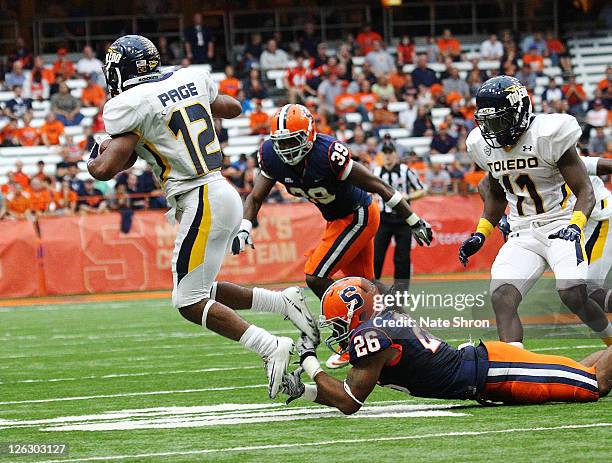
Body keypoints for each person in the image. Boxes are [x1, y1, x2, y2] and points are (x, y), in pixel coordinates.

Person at [87, 35, 319, 400]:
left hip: (200, 195)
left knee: (187, 300)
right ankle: (282, 302)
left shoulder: (130, 104)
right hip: (220, 189)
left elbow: (105, 169)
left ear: (123, 70)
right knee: (198, 288)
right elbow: (233, 107)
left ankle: (269, 345)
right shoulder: (187, 77)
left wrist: (93, 153)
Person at [236, 103, 434, 368]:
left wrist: (413, 219)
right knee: (367, 285)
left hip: (358, 215)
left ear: (308, 135)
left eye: (292, 141)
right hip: (336, 220)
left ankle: (349, 341)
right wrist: (245, 226)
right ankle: (410, 331)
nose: (286, 150)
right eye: (280, 143)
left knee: (316, 276)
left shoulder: (328, 153)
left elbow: (379, 185)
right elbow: (255, 197)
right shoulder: (271, 156)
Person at [279, 278, 612, 411]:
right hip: (488, 373)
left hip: (494, 371)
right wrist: (305, 391)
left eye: (338, 322)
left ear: (357, 312)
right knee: (584, 373)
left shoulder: (373, 334)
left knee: (595, 383)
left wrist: (309, 357)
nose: (337, 330)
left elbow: (351, 400)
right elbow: (346, 390)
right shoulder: (379, 326)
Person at [459, 75, 612, 348]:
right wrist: (481, 233)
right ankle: (515, 368)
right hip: (522, 230)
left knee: (574, 294)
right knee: (502, 297)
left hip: (560, 223)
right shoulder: (483, 145)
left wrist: (575, 226)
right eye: (487, 121)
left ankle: (610, 341)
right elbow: (495, 192)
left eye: (498, 119)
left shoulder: (548, 133)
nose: (491, 129)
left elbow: (585, 191)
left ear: (518, 111)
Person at [373, 142, 426, 291]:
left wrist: (407, 196)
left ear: (395, 154)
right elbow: (369, 191)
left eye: (390, 152)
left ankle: (400, 292)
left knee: (402, 258)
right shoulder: (376, 172)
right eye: (385, 152)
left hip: (403, 219)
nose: (388, 155)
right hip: (383, 219)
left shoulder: (405, 170)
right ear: (381, 155)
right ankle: (370, 290)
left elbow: (421, 190)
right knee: (377, 256)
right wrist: (373, 199)